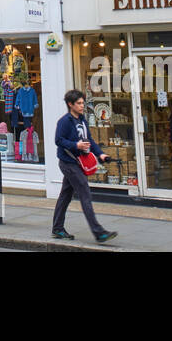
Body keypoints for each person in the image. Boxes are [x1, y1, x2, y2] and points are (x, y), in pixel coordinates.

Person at [52, 89, 117, 243]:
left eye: (82, 103)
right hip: (68, 163)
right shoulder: (64, 121)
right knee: (85, 192)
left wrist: (100, 154)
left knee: (65, 196)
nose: (82, 106)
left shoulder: (82, 120)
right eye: (79, 103)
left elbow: (90, 140)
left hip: (78, 162)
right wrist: (76, 145)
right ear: (70, 104)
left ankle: (57, 228)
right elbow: (58, 140)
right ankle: (98, 232)